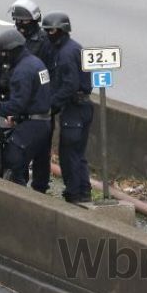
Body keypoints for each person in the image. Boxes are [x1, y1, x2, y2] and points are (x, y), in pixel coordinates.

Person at [0, 29, 52, 191]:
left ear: (10, 52)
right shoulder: (36, 63)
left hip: (33, 125)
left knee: (12, 160)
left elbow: (17, 104)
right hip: (43, 122)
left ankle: (18, 195)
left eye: (3, 54)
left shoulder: (21, 72)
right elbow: (34, 98)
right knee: (30, 163)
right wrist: (17, 117)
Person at [41, 12, 93, 204]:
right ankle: (83, 190)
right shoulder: (74, 48)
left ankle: (75, 193)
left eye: (51, 30)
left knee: (69, 153)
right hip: (83, 107)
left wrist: (51, 105)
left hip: (74, 108)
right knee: (78, 152)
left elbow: (69, 85)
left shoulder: (64, 55)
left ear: (61, 31)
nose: (48, 34)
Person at [0, 0, 51, 101]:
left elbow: (49, 74)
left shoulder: (45, 42)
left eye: (24, 21)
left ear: (34, 20)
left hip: (29, 97)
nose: (19, 24)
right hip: (5, 96)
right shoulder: (8, 39)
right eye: (17, 20)